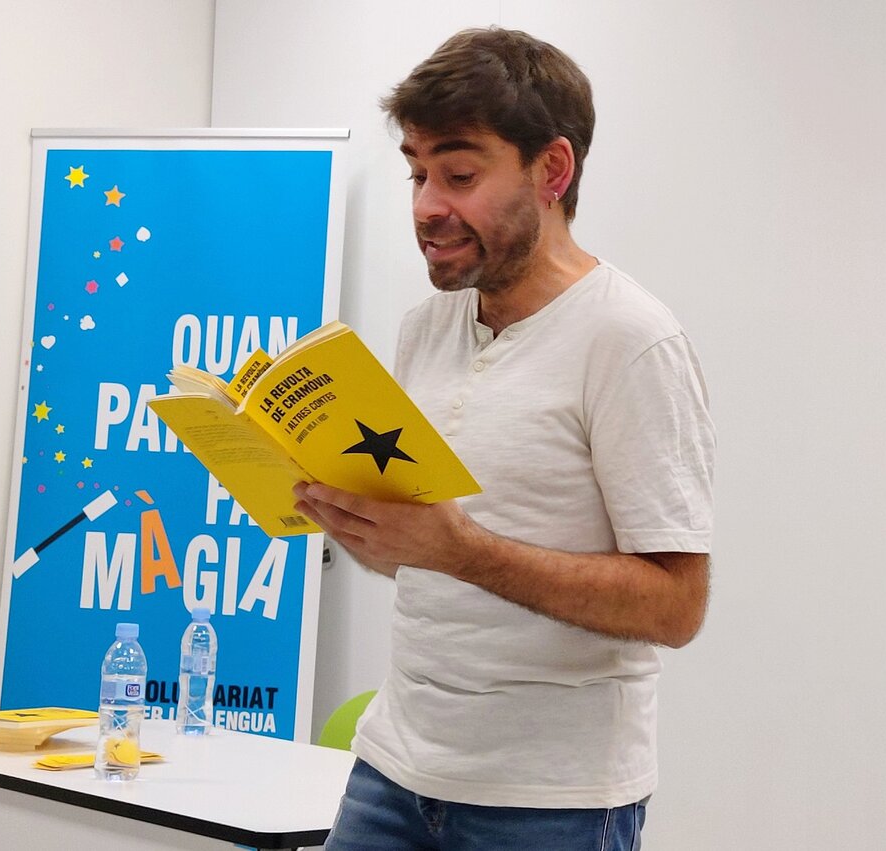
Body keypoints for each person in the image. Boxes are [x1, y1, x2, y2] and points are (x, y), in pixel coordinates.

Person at [294, 26, 716, 851]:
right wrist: (358, 522)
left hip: (550, 802)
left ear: (552, 171)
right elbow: (425, 554)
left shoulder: (630, 341)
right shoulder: (427, 328)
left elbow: (676, 605)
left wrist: (461, 550)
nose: (426, 206)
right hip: (392, 770)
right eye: (416, 172)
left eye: (458, 175)